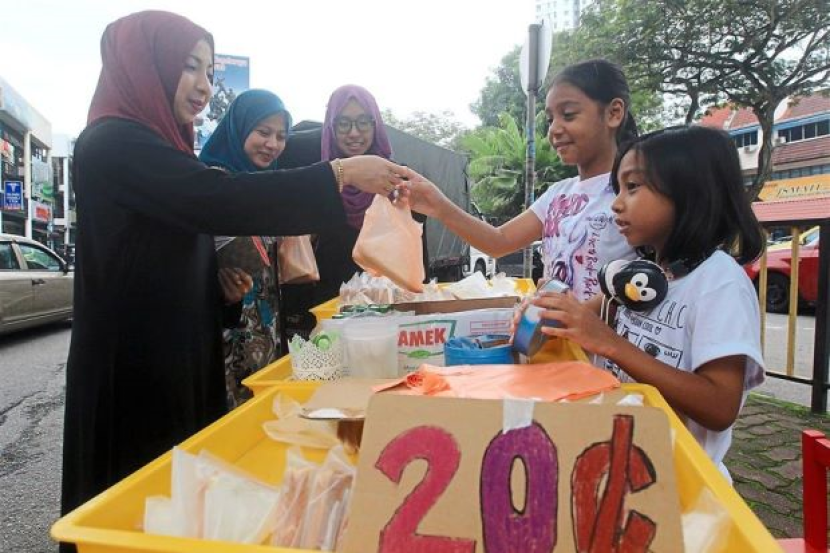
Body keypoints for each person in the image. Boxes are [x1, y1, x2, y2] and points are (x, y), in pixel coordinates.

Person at [61, 10, 410, 524]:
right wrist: (338, 173)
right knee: (133, 504)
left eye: (209, 72)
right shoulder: (112, 142)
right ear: (144, 65)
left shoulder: (162, 147)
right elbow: (215, 199)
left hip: (176, 356)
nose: (204, 86)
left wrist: (218, 289)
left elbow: (167, 248)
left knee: (180, 501)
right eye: (189, 67)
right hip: (132, 371)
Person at [534, 125, 766, 478]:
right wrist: (549, 310)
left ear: (689, 191)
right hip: (626, 461)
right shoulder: (646, 273)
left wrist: (610, 343)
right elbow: (579, 319)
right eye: (618, 188)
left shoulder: (719, 283)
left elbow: (720, 406)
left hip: (681, 480)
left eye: (632, 187)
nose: (616, 203)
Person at [405, 59, 638, 301]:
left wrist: (583, 317)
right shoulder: (558, 194)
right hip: (554, 326)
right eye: (550, 119)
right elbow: (499, 241)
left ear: (613, 113)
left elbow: (647, 277)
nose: (554, 129)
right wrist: (438, 205)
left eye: (568, 115)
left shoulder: (634, 193)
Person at [199, 89, 292, 408]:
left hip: (265, 325)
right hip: (228, 330)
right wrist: (221, 291)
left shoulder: (268, 185)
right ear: (238, 129)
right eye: (263, 132)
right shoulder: (212, 183)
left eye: (281, 136)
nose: (272, 144)